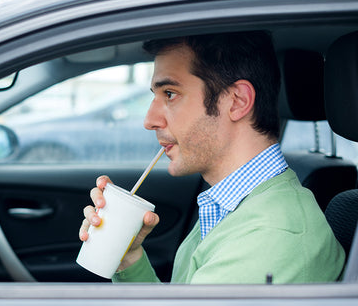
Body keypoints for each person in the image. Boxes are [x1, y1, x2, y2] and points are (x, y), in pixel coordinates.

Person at [79, 31, 345, 284]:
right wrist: (129, 259)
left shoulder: (268, 236)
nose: (149, 120)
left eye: (170, 94)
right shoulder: (234, 204)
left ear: (237, 101)